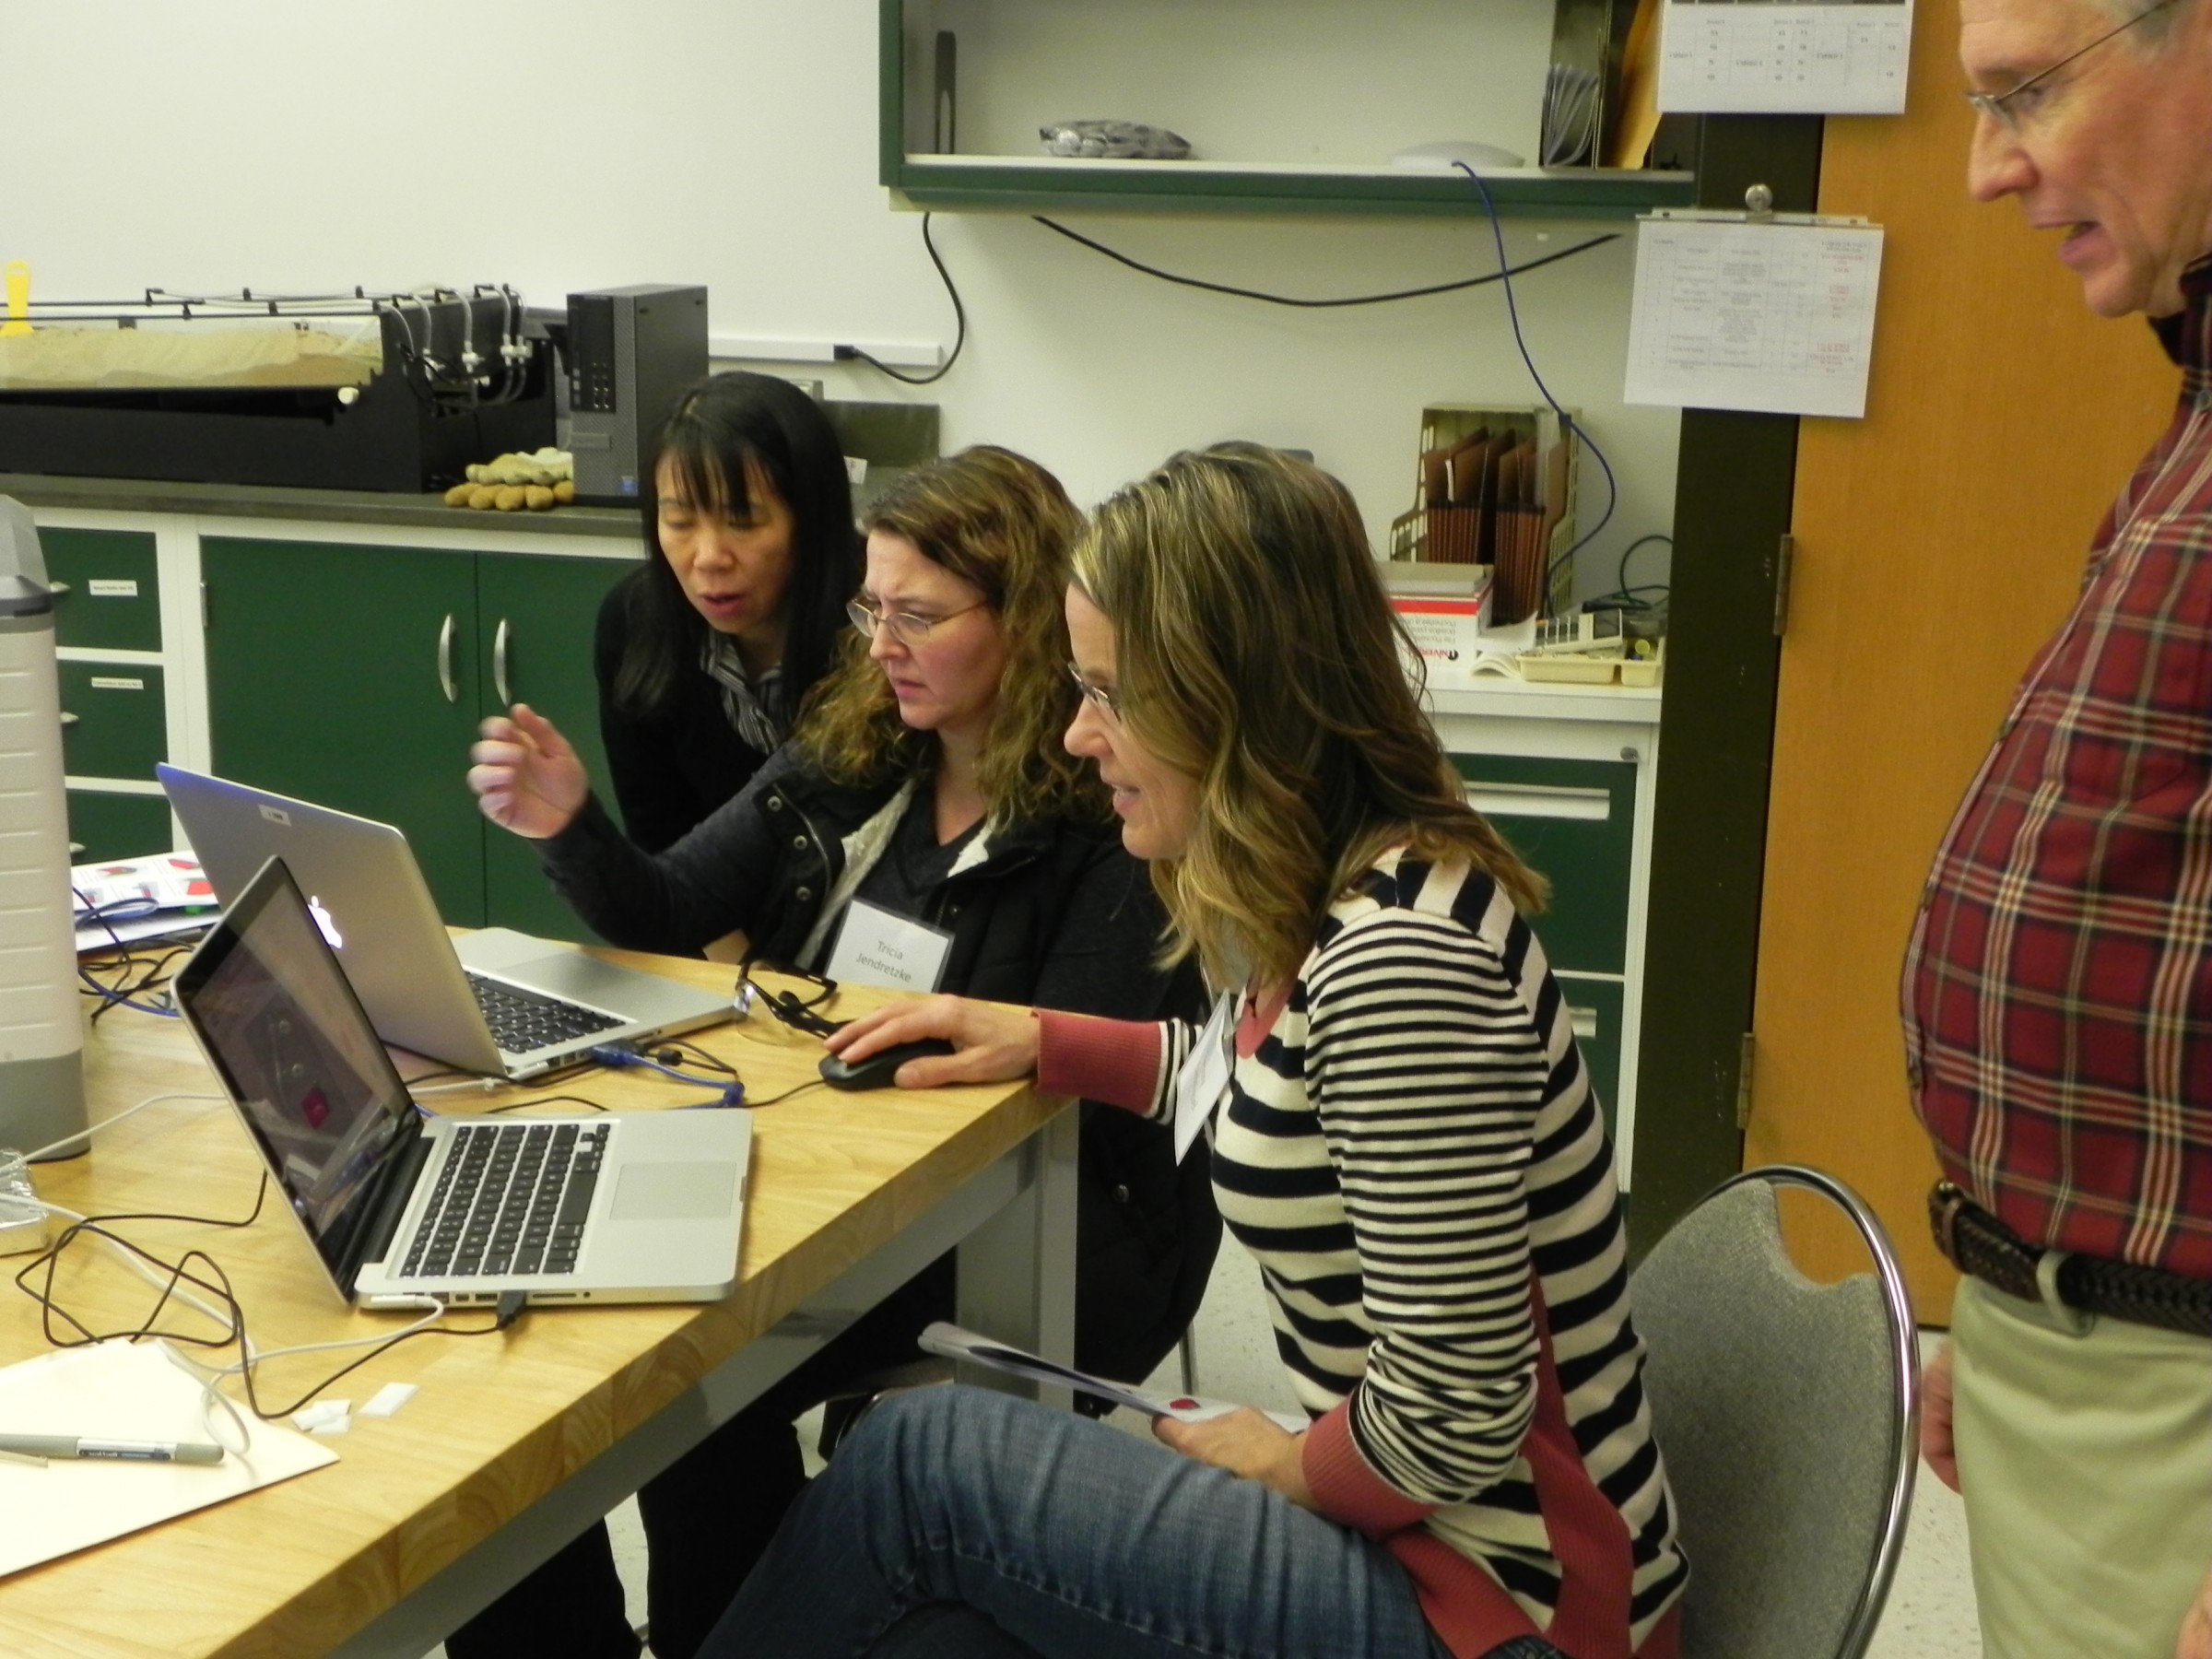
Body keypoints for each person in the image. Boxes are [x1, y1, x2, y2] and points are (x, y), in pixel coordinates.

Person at [700, 444, 1688, 1659]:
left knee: (923, 1458)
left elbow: (1452, 1418)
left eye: (1107, 692)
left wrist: (1287, 1461)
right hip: (1426, 1534)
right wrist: (1041, 1035)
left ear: (1229, 699)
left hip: (1500, 1604)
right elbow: (1252, 1076)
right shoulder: (1342, 893)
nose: (1074, 735)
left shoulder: (1401, 967)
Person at [451, 446, 1218, 1659]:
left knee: (697, 1390)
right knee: (544, 1364)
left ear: (1024, 621)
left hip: (1043, 1217)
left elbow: (1093, 1080)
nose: (882, 644)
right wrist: (573, 826)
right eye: (872, 608)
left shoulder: (1105, 805)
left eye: (919, 614)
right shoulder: (856, 751)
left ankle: (731, 1635)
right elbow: (665, 905)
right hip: (827, 1166)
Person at [1910, 3, 2212, 1656]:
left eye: (2026, 94)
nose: (1983, 169)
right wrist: (2012, 1276)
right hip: (2088, 1332)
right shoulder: (2193, 421)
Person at [595, 370, 862, 853]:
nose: (709, 557)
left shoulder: (883, 624)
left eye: (742, 520)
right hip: (715, 921)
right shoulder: (636, 624)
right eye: (679, 521)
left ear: (811, 520)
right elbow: (665, 853)